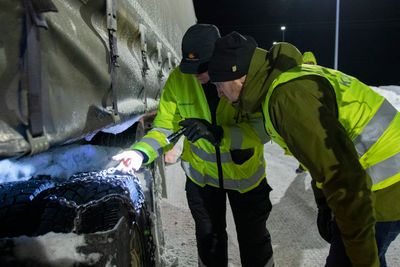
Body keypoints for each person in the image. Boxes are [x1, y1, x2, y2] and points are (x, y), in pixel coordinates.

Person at [208, 32, 400, 267]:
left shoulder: (287, 97)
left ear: (238, 76)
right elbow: (320, 157)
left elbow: (344, 179)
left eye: (218, 84)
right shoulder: (285, 83)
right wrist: (324, 204)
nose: (218, 92)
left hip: (386, 186)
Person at [113, 25, 274, 267]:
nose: (196, 75)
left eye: (202, 67)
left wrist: (218, 134)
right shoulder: (180, 79)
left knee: (254, 244)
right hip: (202, 182)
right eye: (190, 67)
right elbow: (164, 128)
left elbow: (262, 131)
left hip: (246, 181)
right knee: (210, 243)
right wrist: (140, 152)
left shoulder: (242, 76)